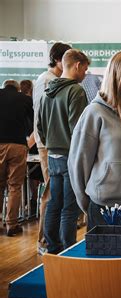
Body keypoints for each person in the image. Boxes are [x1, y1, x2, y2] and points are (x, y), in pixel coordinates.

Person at [69, 50, 121, 231]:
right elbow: (79, 163)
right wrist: (90, 203)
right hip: (103, 207)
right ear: (114, 77)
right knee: (104, 260)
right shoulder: (95, 113)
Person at [37, 48, 89, 254]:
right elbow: (78, 128)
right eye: (85, 69)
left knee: (53, 204)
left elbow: (39, 126)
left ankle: (53, 248)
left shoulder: (46, 92)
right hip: (70, 156)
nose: (85, 73)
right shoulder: (75, 91)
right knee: (70, 208)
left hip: (52, 155)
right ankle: (69, 250)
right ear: (77, 65)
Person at [32, 41, 71, 254]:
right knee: (50, 194)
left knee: (56, 195)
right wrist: (48, 143)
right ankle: (44, 241)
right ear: (58, 60)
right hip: (49, 144)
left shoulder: (54, 80)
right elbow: (41, 116)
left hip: (54, 143)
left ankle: (50, 239)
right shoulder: (46, 80)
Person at [0, 80, 33, 236]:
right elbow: (32, 124)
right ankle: (11, 225)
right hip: (18, 145)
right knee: (15, 186)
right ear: (18, 88)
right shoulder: (25, 99)